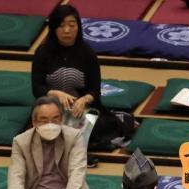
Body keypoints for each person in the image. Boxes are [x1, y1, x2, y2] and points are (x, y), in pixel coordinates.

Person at [32, 5, 129, 157]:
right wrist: (56, 93)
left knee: (101, 127)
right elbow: (36, 88)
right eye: (61, 26)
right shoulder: (42, 53)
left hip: (81, 109)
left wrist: (85, 99)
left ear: (78, 26)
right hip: (51, 107)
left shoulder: (87, 53)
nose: (67, 30)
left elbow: (95, 89)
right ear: (53, 28)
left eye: (72, 25)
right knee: (44, 128)